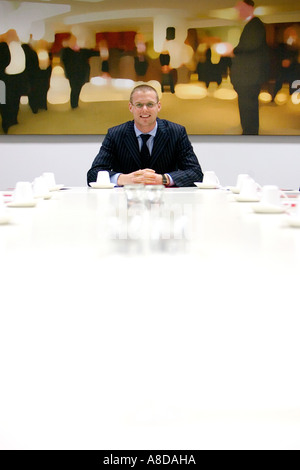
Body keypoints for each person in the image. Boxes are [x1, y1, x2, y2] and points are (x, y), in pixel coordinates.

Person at [87, 84, 203, 187]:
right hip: (124, 202)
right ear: (130, 107)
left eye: (150, 104)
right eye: (139, 105)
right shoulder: (115, 134)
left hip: (166, 201)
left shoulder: (176, 132)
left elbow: (196, 173)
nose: (144, 110)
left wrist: (163, 179)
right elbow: (93, 174)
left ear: (158, 106)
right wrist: (125, 179)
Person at [225, 1, 270, 135]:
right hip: (249, 76)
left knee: (248, 107)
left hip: (249, 77)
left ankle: (249, 133)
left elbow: (249, 47)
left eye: (240, 8)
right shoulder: (253, 25)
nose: (238, 11)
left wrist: (232, 51)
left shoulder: (255, 25)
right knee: (248, 107)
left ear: (249, 8)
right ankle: (249, 131)